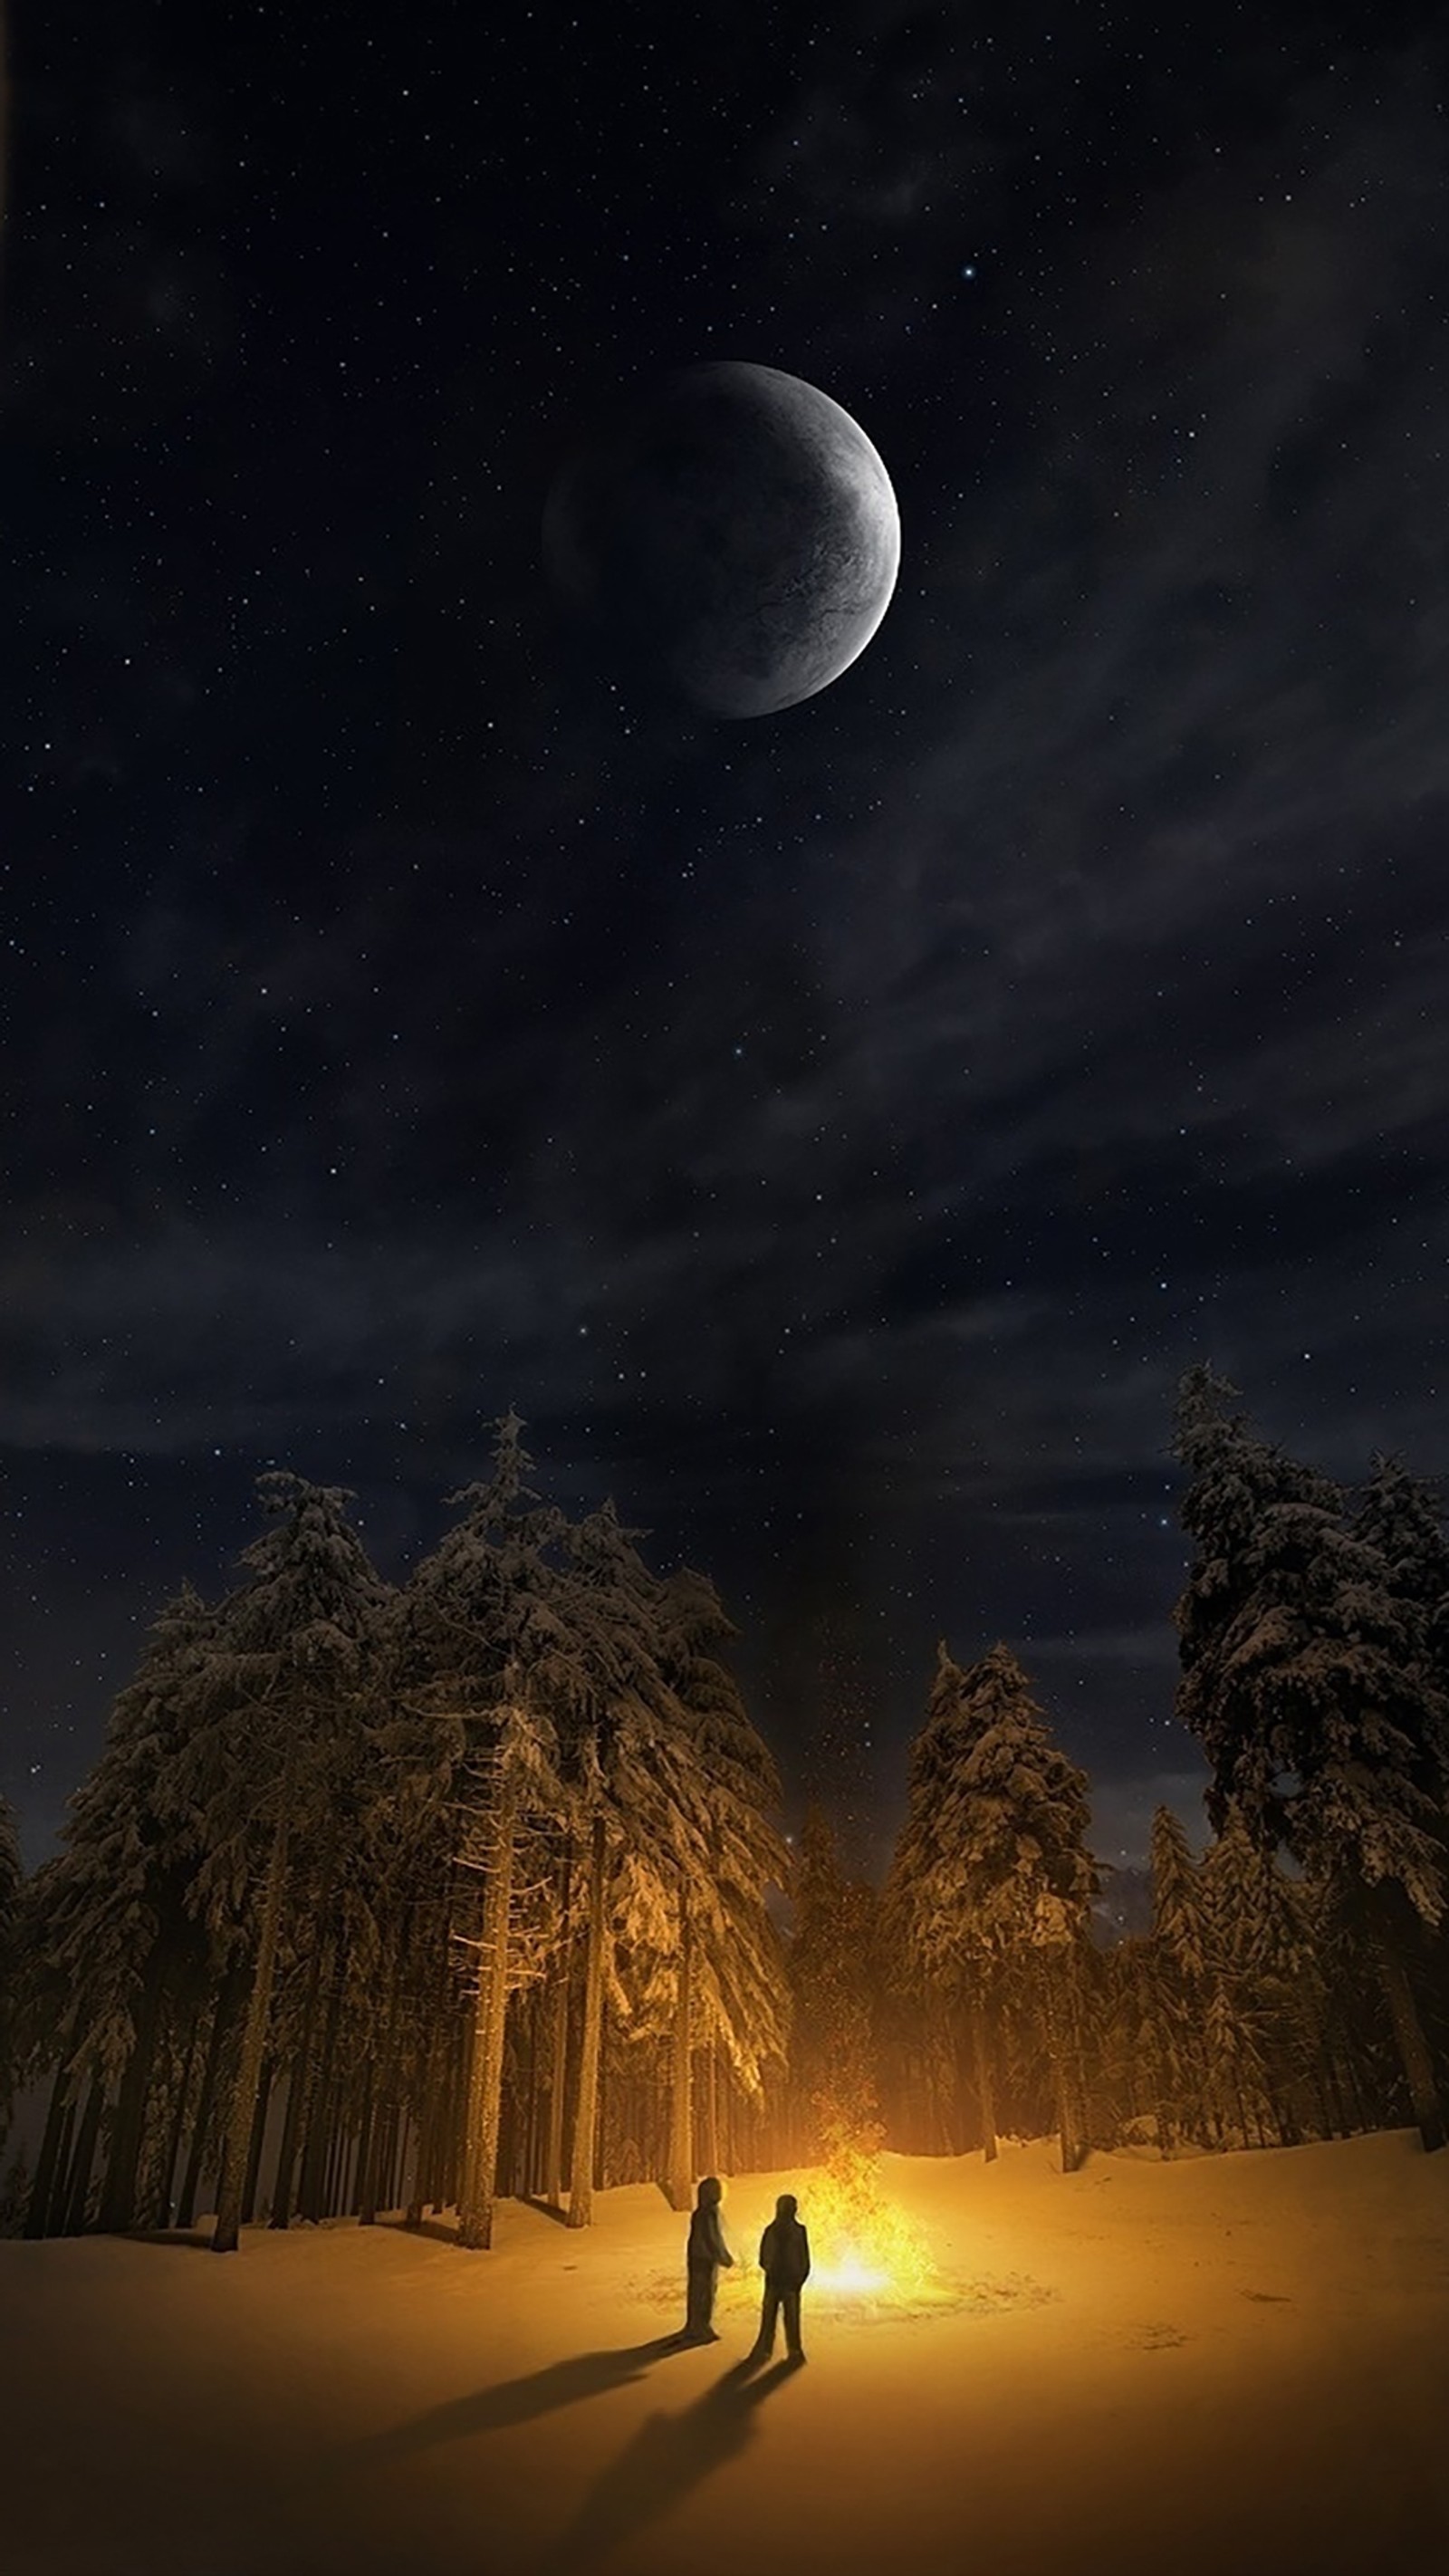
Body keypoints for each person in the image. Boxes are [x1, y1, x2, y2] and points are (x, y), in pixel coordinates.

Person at [752, 2191, 811, 2362]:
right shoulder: (772, 2230)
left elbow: (804, 2258)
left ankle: (793, 2350)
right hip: (777, 2281)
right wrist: (771, 2269)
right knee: (770, 2317)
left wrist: (800, 2277)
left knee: (789, 2319)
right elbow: (763, 2257)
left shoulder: (799, 2231)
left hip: (789, 2282)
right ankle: (766, 2349)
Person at [680, 2174, 734, 2342]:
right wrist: (723, 2257)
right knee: (704, 2294)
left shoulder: (701, 2212)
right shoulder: (708, 2213)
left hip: (696, 2257)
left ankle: (694, 2325)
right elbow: (712, 2238)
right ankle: (700, 2328)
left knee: (697, 2292)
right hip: (705, 2259)